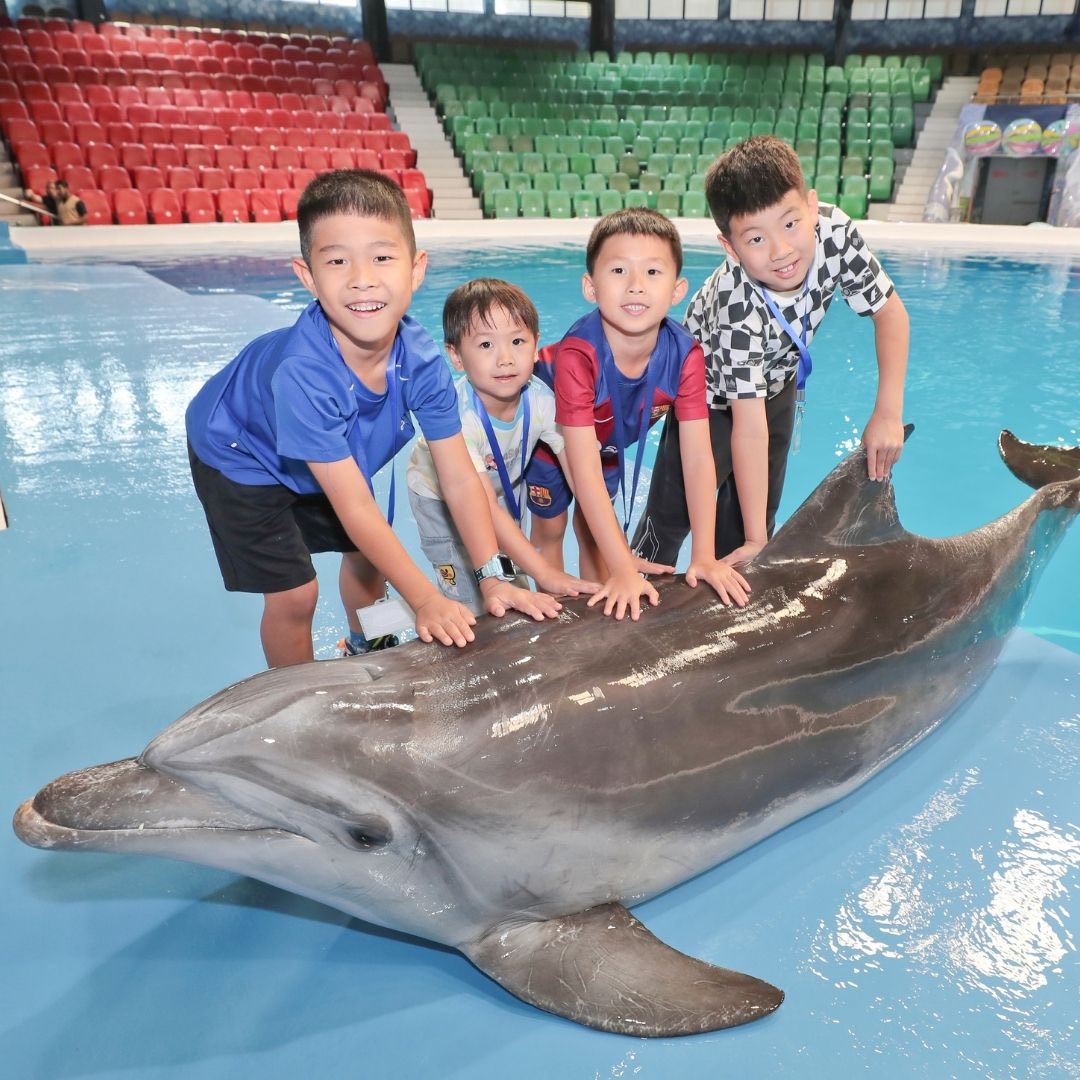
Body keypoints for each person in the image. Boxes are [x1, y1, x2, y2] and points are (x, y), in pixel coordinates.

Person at [185, 170, 559, 668]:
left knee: (365, 560)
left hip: (327, 450)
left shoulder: (421, 359)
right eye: (338, 261)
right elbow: (355, 505)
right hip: (240, 452)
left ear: (416, 269)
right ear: (307, 276)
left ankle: (368, 644)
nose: (362, 278)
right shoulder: (305, 375)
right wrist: (427, 600)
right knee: (296, 595)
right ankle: (301, 698)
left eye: (382, 257)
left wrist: (492, 576)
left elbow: (459, 476)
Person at [632, 136, 909, 568]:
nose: (781, 251)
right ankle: (639, 582)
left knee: (751, 521)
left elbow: (890, 313)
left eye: (790, 224)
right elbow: (748, 428)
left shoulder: (835, 233)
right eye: (756, 239)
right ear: (730, 247)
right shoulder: (735, 305)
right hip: (703, 398)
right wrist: (759, 540)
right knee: (674, 515)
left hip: (777, 379)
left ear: (813, 206)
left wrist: (887, 413)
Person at [529, 207, 752, 621]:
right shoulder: (579, 355)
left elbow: (699, 458)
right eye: (618, 271)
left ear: (677, 289)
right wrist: (624, 566)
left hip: (606, 443)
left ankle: (597, 618)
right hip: (548, 444)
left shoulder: (685, 354)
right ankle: (553, 625)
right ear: (590, 287)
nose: (635, 287)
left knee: (595, 538)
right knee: (551, 530)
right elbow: (580, 467)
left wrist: (703, 554)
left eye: (653, 273)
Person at [406, 278, 598, 613]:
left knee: (512, 578)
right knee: (467, 593)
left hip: (497, 486)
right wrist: (545, 573)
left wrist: (619, 556)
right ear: (455, 356)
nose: (505, 358)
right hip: (438, 500)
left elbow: (582, 476)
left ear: (536, 345)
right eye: (485, 346)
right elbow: (483, 507)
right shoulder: (459, 417)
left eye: (518, 341)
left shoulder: (541, 400)